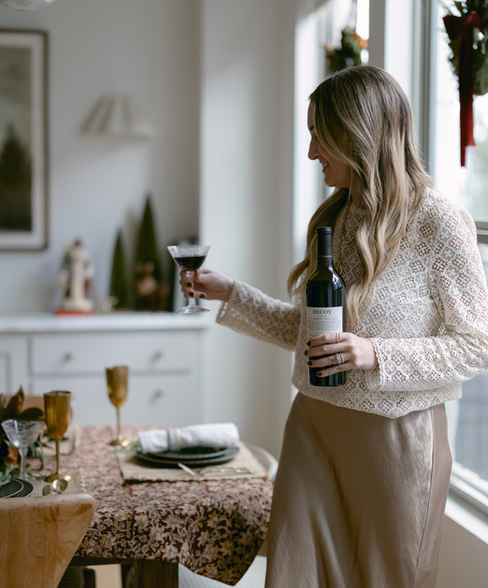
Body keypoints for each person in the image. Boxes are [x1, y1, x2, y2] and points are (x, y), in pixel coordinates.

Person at [180, 65, 488, 588]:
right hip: (314, 430)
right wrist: (230, 292)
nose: (311, 153)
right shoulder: (338, 217)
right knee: (295, 577)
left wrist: (375, 354)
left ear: (358, 132)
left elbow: (477, 345)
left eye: (320, 136)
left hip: (395, 444)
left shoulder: (438, 220)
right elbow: (311, 336)